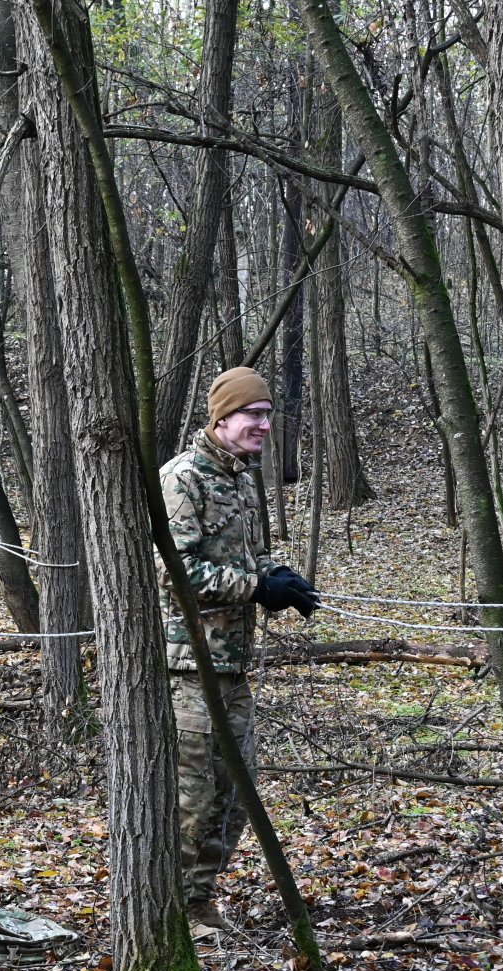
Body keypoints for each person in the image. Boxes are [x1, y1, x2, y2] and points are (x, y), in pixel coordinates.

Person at [160, 367, 318, 932]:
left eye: (269, 414)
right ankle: (176, 908)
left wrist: (279, 578)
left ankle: (201, 898)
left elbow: (247, 557)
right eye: (253, 414)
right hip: (186, 666)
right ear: (221, 417)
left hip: (232, 663)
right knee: (195, 796)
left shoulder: (238, 477)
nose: (264, 424)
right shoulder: (184, 478)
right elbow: (173, 568)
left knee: (237, 790)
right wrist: (255, 588)